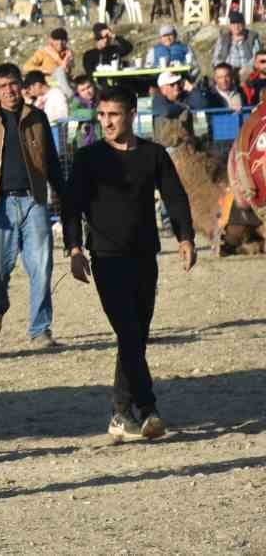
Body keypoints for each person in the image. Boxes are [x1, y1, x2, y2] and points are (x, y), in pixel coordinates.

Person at [63, 86, 195, 442]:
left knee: (136, 335)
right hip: (106, 257)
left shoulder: (153, 155)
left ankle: (121, 414)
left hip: (144, 256)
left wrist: (186, 238)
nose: (106, 122)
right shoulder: (89, 158)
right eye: (101, 115)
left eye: (114, 115)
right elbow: (71, 207)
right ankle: (148, 408)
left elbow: (175, 196)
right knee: (128, 332)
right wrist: (74, 249)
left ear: (132, 114)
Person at [0, 62, 67, 348]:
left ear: (22, 85)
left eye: (13, 84)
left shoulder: (38, 118)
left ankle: (40, 329)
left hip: (34, 201)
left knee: (41, 266)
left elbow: (53, 164)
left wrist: (65, 197)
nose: (9, 91)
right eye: (3, 86)